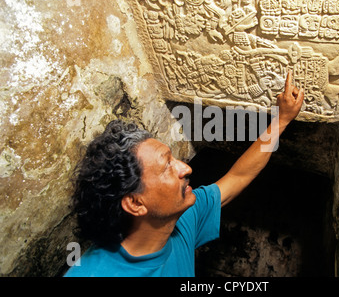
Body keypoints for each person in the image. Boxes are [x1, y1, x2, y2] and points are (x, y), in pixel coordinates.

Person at [64, 71, 304, 277]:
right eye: (166, 166)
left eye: (173, 159)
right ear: (136, 203)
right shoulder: (92, 272)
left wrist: (281, 120)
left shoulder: (181, 221)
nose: (186, 168)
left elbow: (238, 177)